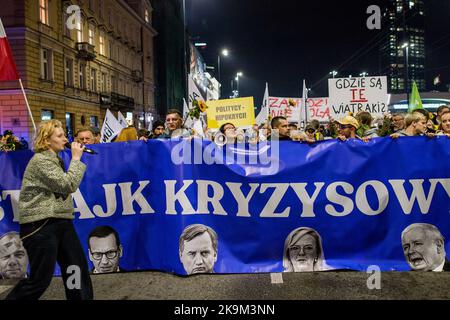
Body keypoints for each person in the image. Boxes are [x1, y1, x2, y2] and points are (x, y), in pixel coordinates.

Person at [5, 119, 93, 300]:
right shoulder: (40, 161)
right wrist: (76, 159)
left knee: (75, 267)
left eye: (64, 135)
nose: (65, 139)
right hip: (41, 226)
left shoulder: (54, 159)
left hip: (60, 221)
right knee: (39, 280)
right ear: (46, 140)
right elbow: (67, 184)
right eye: (60, 136)